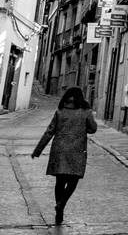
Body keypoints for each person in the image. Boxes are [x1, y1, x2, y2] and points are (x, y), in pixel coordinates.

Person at [31, 86, 98, 224]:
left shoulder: (60, 111)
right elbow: (93, 129)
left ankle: (59, 210)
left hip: (59, 151)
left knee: (60, 182)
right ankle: (62, 204)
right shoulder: (85, 111)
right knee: (73, 180)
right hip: (77, 151)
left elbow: (49, 131)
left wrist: (38, 150)